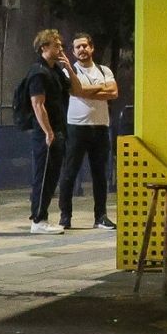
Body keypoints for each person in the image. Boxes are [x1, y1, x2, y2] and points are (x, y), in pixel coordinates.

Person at [58, 33, 118, 230]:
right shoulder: (69, 71)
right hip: (76, 127)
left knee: (100, 174)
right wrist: (99, 89)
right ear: (73, 52)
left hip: (100, 127)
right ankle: (65, 216)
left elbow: (114, 92)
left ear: (92, 48)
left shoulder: (104, 70)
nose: (82, 50)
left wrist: (87, 88)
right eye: (78, 47)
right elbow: (76, 91)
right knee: (70, 172)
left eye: (85, 46)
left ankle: (100, 216)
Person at [25, 29, 71, 234]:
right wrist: (48, 132)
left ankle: (43, 216)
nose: (60, 48)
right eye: (56, 45)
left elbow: (75, 90)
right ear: (44, 47)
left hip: (59, 129)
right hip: (46, 133)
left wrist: (68, 66)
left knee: (52, 175)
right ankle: (38, 218)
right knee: (43, 175)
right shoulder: (38, 72)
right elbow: (37, 104)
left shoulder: (55, 71)